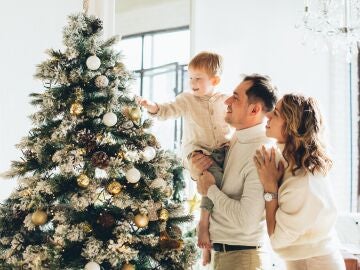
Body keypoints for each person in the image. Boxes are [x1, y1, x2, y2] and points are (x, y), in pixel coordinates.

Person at [138, 51, 233, 265]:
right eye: (190, 77)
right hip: (199, 152)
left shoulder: (225, 99)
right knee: (211, 183)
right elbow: (167, 110)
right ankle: (204, 228)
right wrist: (152, 106)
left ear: (215, 80)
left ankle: (215, 238)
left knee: (226, 190)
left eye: (198, 78)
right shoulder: (187, 99)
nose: (192, 82)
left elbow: (237, 120)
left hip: (224, 151)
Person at [193, 74, 278, 270]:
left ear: (254, 109)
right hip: (224, 254)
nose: (227, 101)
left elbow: (246, 222)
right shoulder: (238, 139)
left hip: (241, 259)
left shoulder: (262, 153)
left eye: (236, 97)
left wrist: (210, 189)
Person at [253, 94, 345, 270]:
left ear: (291, 127)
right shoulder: (293, 164)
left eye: (277, 114)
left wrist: (270, 189)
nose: (268, 115)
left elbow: (277, 241)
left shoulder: (301, 182)